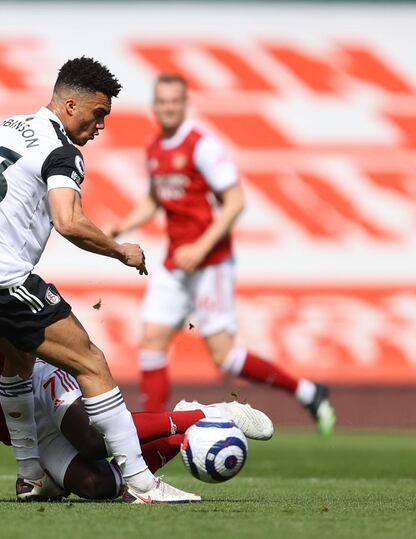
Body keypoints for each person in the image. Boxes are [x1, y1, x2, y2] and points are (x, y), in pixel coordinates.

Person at [0, 56, 195, 504]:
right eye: (98, 114)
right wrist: (120, 249)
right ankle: (141, 484)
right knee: (90, 361)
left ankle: (31, 475)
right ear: (70, 105)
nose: (100, 127)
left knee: (17, 357)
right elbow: (68, 222)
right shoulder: (62, 151)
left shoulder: (9, 126)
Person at [0, 282, 272, 502]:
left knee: (91, 437)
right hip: (27, 433)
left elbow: (19, 350)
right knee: (98, 486)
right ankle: (182, 436)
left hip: (39, 383)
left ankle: (209, 414)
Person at [106, 73, 336, 436]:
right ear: (155, 106)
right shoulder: (154, 147)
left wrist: (200, 246)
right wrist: (123, 226)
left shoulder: (202, 146)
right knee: (151, 342)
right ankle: (153, 434)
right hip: (175, 262)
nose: (168, 108)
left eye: (174, 102)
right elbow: (154, 198)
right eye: (162, 102)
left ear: (184, 105)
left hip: (210, 262)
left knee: (225, 357)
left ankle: (307, 390)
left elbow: (235, 202)